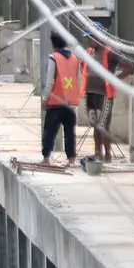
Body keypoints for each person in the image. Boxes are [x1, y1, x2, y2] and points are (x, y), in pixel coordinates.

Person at [82, 24, 134, 162]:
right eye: (87, 38)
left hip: (104, 94)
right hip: (90, 93)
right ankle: (97, 152)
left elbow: (129, 66)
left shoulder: (110, 51)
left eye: (90, 37)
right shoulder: (88, 52)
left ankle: (107, 155)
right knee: (95, 124)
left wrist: (115, 79)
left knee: (103, 125)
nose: (88, 40)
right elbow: (83, 67)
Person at [40, 32, 80, 167]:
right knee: (70, 132)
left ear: (53, 44)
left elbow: (50, 81)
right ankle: (72, 160)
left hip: (55, 103)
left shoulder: (54, 58)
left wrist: (45, 99)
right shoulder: (75, 58)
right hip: (69, 103)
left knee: (50, 132)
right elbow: (78, 80)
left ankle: (46, 159)